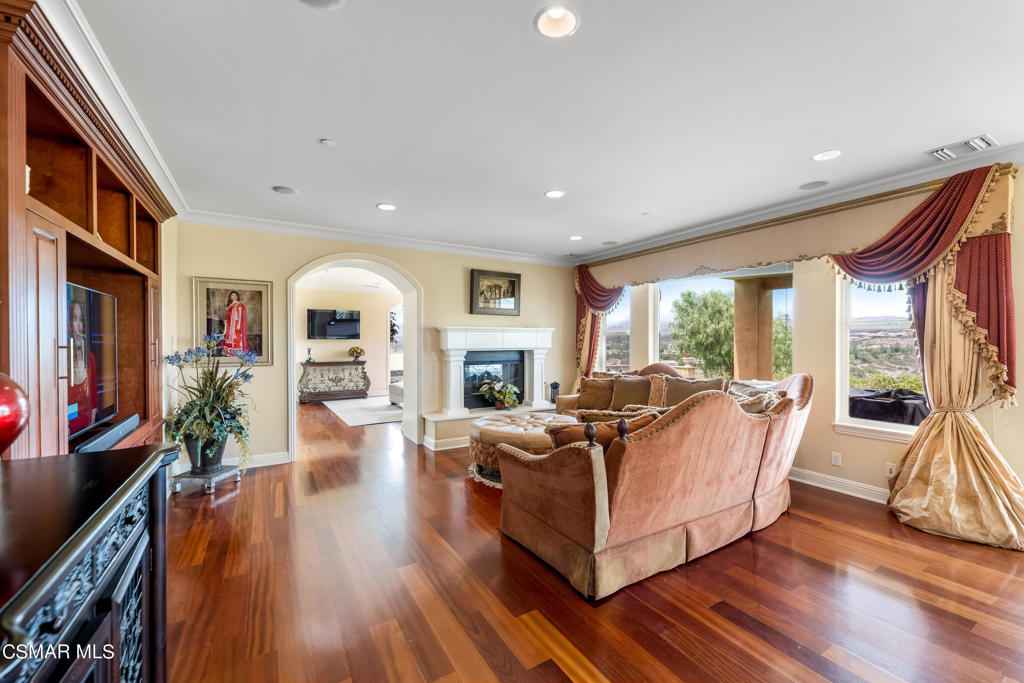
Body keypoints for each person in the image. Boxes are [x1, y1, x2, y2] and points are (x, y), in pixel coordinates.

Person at [67, 301, 97, 435]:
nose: (79, 326)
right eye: (74, 319)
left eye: (81, 320)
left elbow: (93, 402)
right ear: (68, 325)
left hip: (86, 431)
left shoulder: (90, 358)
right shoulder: (58, 361)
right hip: (65, 432)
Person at [221, 290, 248, 355]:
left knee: (236, 338)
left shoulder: (239, 304)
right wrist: (227, 321)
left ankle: (237, 352)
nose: (233, 296)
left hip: (236, 324)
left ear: (237, 297)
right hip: (230, 325)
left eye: (235, 295)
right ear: (230, 297)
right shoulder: (230, 305)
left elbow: (240, 315)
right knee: (229, 338)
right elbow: (230, 316)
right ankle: (230, 352)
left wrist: (238, 325)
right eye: (232, 295)